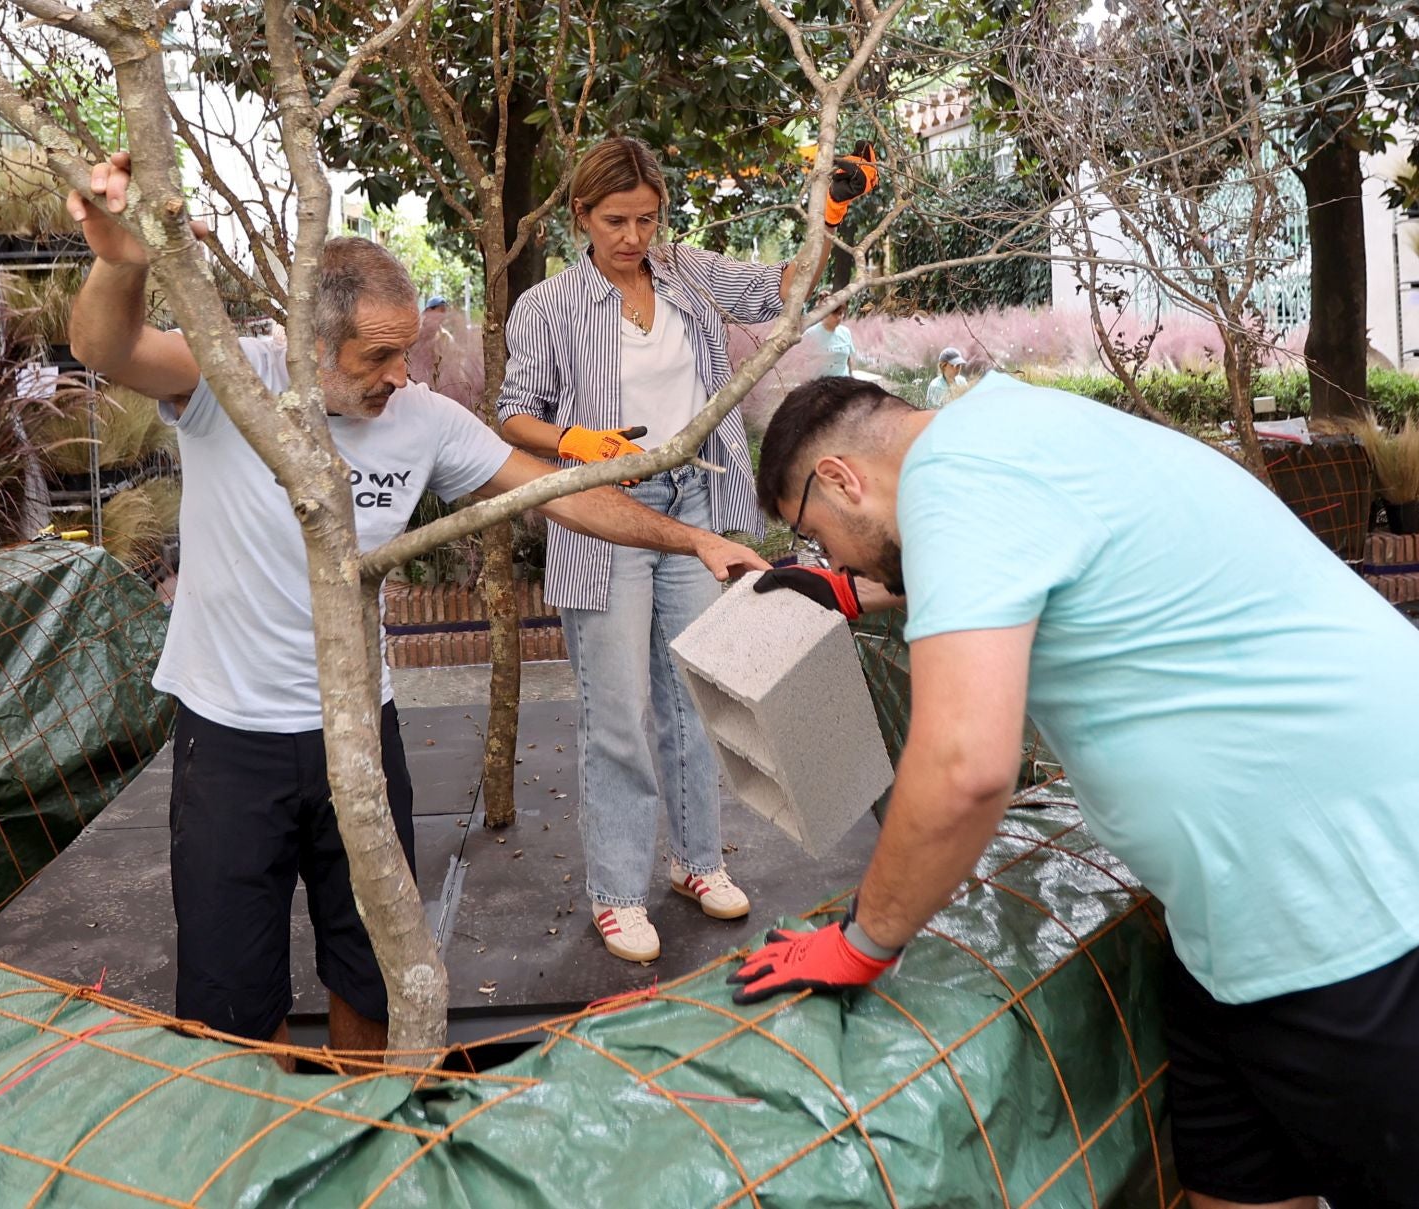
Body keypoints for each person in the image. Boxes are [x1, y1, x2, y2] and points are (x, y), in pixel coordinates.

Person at [734, 373, 1419, 1209]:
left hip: (1398, 900)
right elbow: (1005, 568)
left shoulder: (956, 480)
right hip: (1246, 940)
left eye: (816, 537)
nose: (826, 553)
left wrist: (863, 941)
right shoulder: (1003, 432)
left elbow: (965, 767)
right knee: (1232, 1174)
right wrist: (849, 590)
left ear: (842, 478)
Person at [63, 151, 769, 1060]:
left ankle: (372, 1131)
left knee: (377, 970)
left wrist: (694, 538)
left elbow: (554, 492)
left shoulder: (423, 417)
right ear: (313, 344)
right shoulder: (234, 382)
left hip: (365, 725)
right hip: (231, 737)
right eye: (378, 356)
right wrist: (122, 260)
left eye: (408, 350)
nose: (403, 372)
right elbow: (104, 348)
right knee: (233, 1002)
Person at [496, 135, 874, 963]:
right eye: (616, 220)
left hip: (694, 498)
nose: (633, 236)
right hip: (606, 509)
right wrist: (575, 441)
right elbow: (512, 414)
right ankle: (617, 892)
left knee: (694, 698)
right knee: (619, 713)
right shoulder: (550, 306)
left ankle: (697, 862)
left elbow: (785, 291)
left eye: (647, 218)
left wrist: (830, 214)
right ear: (580, 216)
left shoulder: (689, 273)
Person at [805, 308, 854, 378]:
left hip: (843, 382)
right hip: (818, 383)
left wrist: (851, 375)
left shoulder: (846, 332)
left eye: (840, 313)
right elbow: (801, 362)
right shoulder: (810, 334)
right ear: (825, 314)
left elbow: (848, 358)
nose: (839, 318)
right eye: (834, 314)